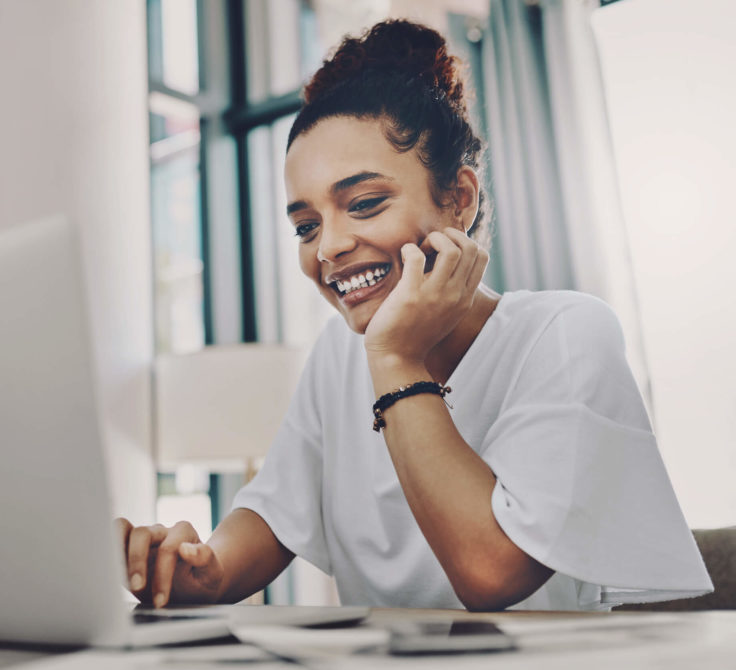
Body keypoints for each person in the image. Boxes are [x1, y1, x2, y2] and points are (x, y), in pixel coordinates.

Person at [117, 19, 712, 611]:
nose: (327, 248)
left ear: (458, 200)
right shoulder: (336, 356)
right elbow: (272, 512)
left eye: (365, 203)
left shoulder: (564, 334)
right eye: (306, 225)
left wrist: (396, 358)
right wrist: (200, 570)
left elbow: (491, 572)